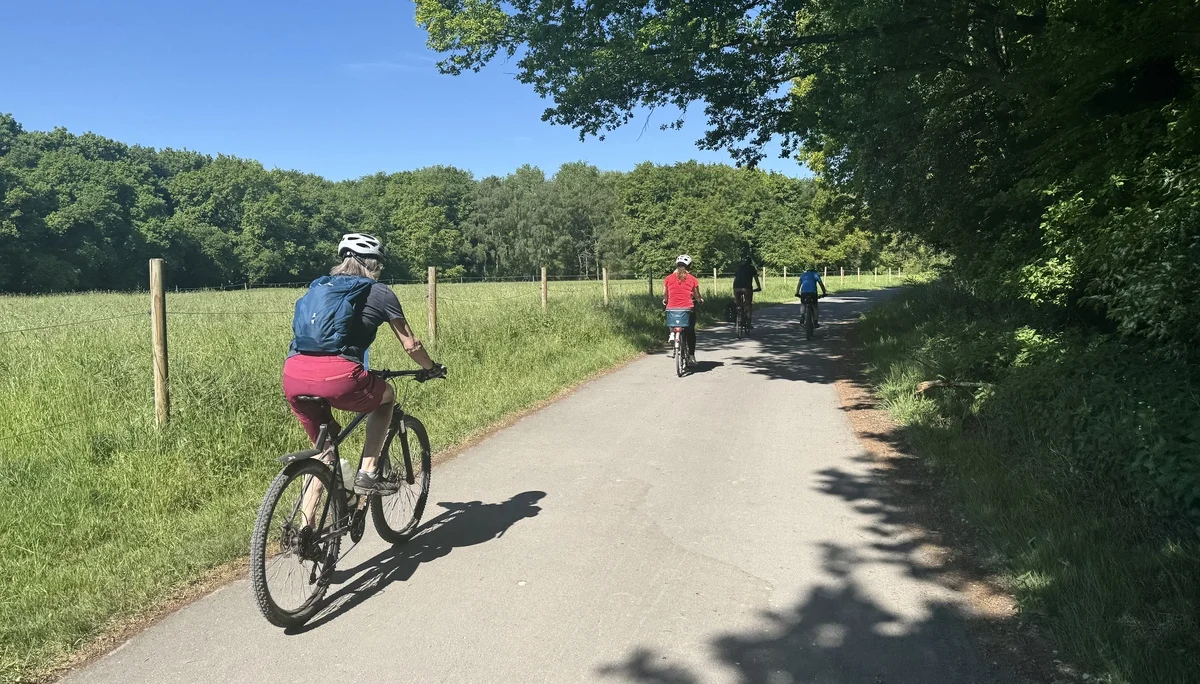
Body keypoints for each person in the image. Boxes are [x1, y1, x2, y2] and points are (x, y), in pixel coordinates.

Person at [282, 233, 446, 497]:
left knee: (324, 452)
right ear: (373, 264)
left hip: (294, 374)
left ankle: (307, 521)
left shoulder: (319, 289)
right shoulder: (379, 292)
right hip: (340, 377)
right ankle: (367, 473)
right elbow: (411, 345)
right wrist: (431, 368)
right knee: (387, 397)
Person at [663, 254, 703, 365]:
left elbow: (665, 294)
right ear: (689, 266)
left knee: (671, 316)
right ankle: (691, 356)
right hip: (687, 309)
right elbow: (696, 295)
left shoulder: (668, 278)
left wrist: (665, 301)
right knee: (690, 330)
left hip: (672, 308)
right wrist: (700, 300)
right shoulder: (693, 279)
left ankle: (672, 332)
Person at [731, 256, 763, 328]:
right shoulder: (752, 268)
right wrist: (759, 287)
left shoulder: (738, 268)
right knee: (748, 304)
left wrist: (734, 289)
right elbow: (756, 279)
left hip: (736, 287)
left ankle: (738, 317)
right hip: (747, 288)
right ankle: (748, 322)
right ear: (750, 262)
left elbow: (735, 279)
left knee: (738, 303)